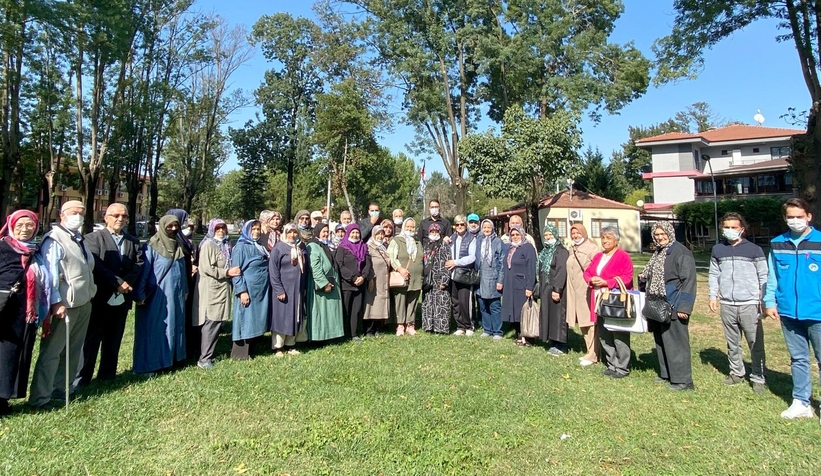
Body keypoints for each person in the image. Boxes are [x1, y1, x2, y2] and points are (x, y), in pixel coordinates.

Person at [30, 201, 96, 407]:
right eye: (74, 212)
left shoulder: (78, 238)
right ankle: (41, 397)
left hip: (83, 301)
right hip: (64, 305)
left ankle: (63, 390)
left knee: (74, 351)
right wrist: (56, 302)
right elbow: (50, 275)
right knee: (52, 352)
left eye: (82, 213)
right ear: (62, 215)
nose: (78, 216)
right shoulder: (54, 239)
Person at [763, 198, 821, 419]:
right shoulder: (778, 243)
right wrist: (769, 303)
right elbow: (773, 276)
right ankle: (801, 402)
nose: (795, 220)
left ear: (809, 216)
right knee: (798, 359)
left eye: (799, 216)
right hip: (788, 312)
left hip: (817, 312)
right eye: (790, 217)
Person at [77, 203, 143, 386]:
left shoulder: (133, 241)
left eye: (124, 216)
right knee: (92, 339)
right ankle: (83, 378)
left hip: (122, 298)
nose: (120, 219)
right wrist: (117, 282)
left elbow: (138, 264)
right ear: (106, 217)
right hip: (99, 297)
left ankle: (108, 374)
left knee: (114, 338)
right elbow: (97, 265)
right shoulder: (92, 239)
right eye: (115, 215)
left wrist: (127, 282)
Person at [0, 211, 55, 414]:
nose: (25, 229)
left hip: (27, 315)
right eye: (20, 225)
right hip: (6, 313)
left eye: (29, 225)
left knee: (19, 356)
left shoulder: (35, 251)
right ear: (11, 225)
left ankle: (7, 397)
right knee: (3, 356)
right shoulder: (3, 248)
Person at [708, 212, 768, 392]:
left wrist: (763, 300)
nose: (730, 230)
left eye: (734, 227)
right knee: (732, 342)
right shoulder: (718, 250)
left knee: (755, 343)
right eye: (726, 227)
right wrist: (713, 296)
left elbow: (763, 275)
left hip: (749, 304)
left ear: (742, 229)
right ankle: (736, 373)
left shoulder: (754, 250)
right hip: (727, 304)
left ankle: (758, 376)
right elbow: (714, 274)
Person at [640, 222, 697, 391]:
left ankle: (683, 380)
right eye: (656, 234)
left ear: (670, 232)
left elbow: (689, 281)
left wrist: (684, 308)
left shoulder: (681, 252)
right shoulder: (658, 253)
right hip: (657, 304)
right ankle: (667, 374)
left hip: (674, 303)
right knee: (662, 340)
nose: (659, 237)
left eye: (662, 233)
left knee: (676, 342)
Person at [132, 215, 188, 375]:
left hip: (176, 295)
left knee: (175, 325)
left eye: (176, 226)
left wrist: (184, 290)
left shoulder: (177, 245)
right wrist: (140, 294)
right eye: (169, 226)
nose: (173, 229)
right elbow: (144, 272)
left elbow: (182, 270)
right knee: (156, 328)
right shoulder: (151, 247)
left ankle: (171, 359)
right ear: (163, 227)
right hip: (157, 296)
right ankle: (151, 364)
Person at [583, 227, 634, 379]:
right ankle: (611, 363)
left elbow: (627, 277)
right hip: (599, 299)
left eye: (608, 238)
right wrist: (591, 279)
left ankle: (622, 367)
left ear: (616, 240)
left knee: (618, 333)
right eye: (603, 237)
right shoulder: (599, 256)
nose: (605, 241)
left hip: (615, 301)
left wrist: (607, 282)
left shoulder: (623, 256)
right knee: (604, 334)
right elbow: (588, 272)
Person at [194, 219, 241, 369]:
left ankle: (208, 354)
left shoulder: (226, 245)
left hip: (223, 288)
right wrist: (227, 272)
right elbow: (207, 268)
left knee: (218, 321)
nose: (221, 231)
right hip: (212, 288)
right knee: (211, 321)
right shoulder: (209, 245)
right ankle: (204, 358)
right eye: (217, 228)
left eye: (223, 228)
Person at [230, 220, 271, 360]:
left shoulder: (259, 245)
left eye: (258, 229)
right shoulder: (241, 247)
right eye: (253, 229)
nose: (256, 232)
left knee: (254, 319)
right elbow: (236, 271)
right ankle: (240, 354)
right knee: (245, 319)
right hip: (248, 289)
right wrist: (242, 291)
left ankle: (253, 348)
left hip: (259, 291)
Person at [269, 223, 307, 357]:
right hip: (283, 289)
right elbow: (273, 271)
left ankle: (291, 344)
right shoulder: (278, 248)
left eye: (295, 232)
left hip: (297, 289)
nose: (292, 235)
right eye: (289, 232)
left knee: (294, 315)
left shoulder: (300, 247)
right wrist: (279, 290)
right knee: (281, 316)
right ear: (285, 233)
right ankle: (278, 346)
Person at [166, 208, 198, 360]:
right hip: (178, 282)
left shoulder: (183, 238)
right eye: (184, 219)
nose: (187, 222)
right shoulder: (171, 239)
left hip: (188, 280)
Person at [565, 223, 600, 367]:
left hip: (587, 290)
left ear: (583, 233)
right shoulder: (572, 249)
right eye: (573, 233)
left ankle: (594, 354)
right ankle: (588, 350)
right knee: (583, 322)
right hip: (575, 291)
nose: (575, 236)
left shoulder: (592, 248)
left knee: (590, 322)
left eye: (577, 233)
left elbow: (596, 267)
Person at [305, 222, 345, 342]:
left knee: (330, 312)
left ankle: (331, 335)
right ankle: (318, 336)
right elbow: (314, 268)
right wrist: (324, 283)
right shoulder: (313, 246)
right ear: (317, 232)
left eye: (327, 232)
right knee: (320, 312)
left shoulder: (327, 245)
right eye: (324, 232)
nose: (326, 234)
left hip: (332, 282)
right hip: (320, 285)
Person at [335, 224, 373, 341]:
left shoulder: (364, 247)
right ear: (348, 233)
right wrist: (352, 278)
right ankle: (344, 334)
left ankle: (353, 333)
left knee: (356, 310)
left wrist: (363, 277)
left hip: (360, 284)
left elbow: (367, 264)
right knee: (346, 310)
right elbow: (339, 265)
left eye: (357, 233)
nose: (355, 235)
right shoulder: (342, 248)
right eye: (353, 232)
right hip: (347, 284)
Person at [500, 226, 537, 345]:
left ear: (522, 235)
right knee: (514, 310)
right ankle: (519, 335)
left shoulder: (528, 248)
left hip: (522, 284)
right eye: (513, 235)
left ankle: (527, 336)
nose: (515, 237)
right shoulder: (510, 248)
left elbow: (531, 268)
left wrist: (529, 287)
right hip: (510, 284)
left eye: (517, 235)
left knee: (523, 311)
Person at [538, 224, 570, 355]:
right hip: (545, 286)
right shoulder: (545, 250)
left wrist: (557, 289)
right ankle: (551, 338)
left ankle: (560, 343)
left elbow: (561, 271)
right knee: (548, 312)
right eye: (545, 235)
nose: (548, 237)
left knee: (557, 315)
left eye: (550, 235)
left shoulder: (561, 251)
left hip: (556, 288)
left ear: (556, 235)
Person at [389, 218, 424, 336]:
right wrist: (400, 269)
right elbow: (392, 258)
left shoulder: (418, 242)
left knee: (413, 301)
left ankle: (410, 324)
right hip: (402, 276)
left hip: (416, 277)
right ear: (404, 227)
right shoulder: (397, 240)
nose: (410, 229)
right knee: (400, 300)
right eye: (408, 227)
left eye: (412, 227)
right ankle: (400, 325)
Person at [447, 214, 477, 335]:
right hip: (453, 275)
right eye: (457, 224)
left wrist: (456, 262)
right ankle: (460, 326)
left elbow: (472, 257)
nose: (460, 226)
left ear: (466, 225)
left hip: (465, 274)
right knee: (455, 301)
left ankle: (469, 326)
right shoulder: (451, 238)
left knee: (466, 302)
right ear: (454, 226)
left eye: (462, 224)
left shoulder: (471, 239)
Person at [475, 219, 503, 341]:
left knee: (494, 305)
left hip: (493, 277)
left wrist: (500, 280)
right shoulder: (479, 240)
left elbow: (502, 262)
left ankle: (497, 331)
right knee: (482, 305)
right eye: (484, 227)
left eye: (488, 227)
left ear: (492, 229)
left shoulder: (497, 241)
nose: (486, 230)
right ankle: (487, 329)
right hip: (481, 277)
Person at [422, 223, 452, 334]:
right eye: (432, 232)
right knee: (428, 303)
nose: (434, 234)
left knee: (441, 304)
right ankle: (429, 326)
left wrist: (444, 280)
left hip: (440, 279)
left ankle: (441, 328)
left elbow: (448, 263)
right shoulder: (426, 245)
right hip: (428, 280)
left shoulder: (444, 245)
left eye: (436, 232)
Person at [363, 225, 391, 336]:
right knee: (372, 304)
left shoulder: (384, 247)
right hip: (373, 279)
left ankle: (378, 328)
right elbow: (367, 263)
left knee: (381, 304)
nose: (380, 236)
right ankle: (369, 330)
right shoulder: (369, 246)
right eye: (377, 234)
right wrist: (369, 278)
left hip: (383, 279)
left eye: (382, 234)